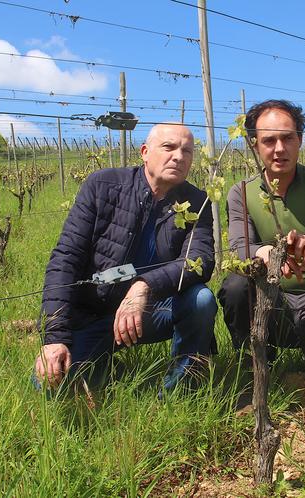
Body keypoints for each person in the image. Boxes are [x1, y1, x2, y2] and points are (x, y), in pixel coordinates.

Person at [34, 123, 217, 395]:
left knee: (201, 300)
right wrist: (55, 337)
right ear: (145, 152)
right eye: (168, 147)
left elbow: (199, 260)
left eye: (187, 151)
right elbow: (65, 260)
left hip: (151, 311)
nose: (178, 156)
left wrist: (144, 286)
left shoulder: (196, 200)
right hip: (94, 313)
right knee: (52, 389)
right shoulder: (103, 186)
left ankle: (180, 390)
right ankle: (103, 362)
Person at [218, 100, 305, 411]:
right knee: (235, 287)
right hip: (271, 299)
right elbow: (239, 247)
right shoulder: (241, 192)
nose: (279, 148)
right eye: (269, 140)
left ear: (300, 140)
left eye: (288, 138)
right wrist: (266, 251)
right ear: (255, 145)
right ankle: (256, 370)